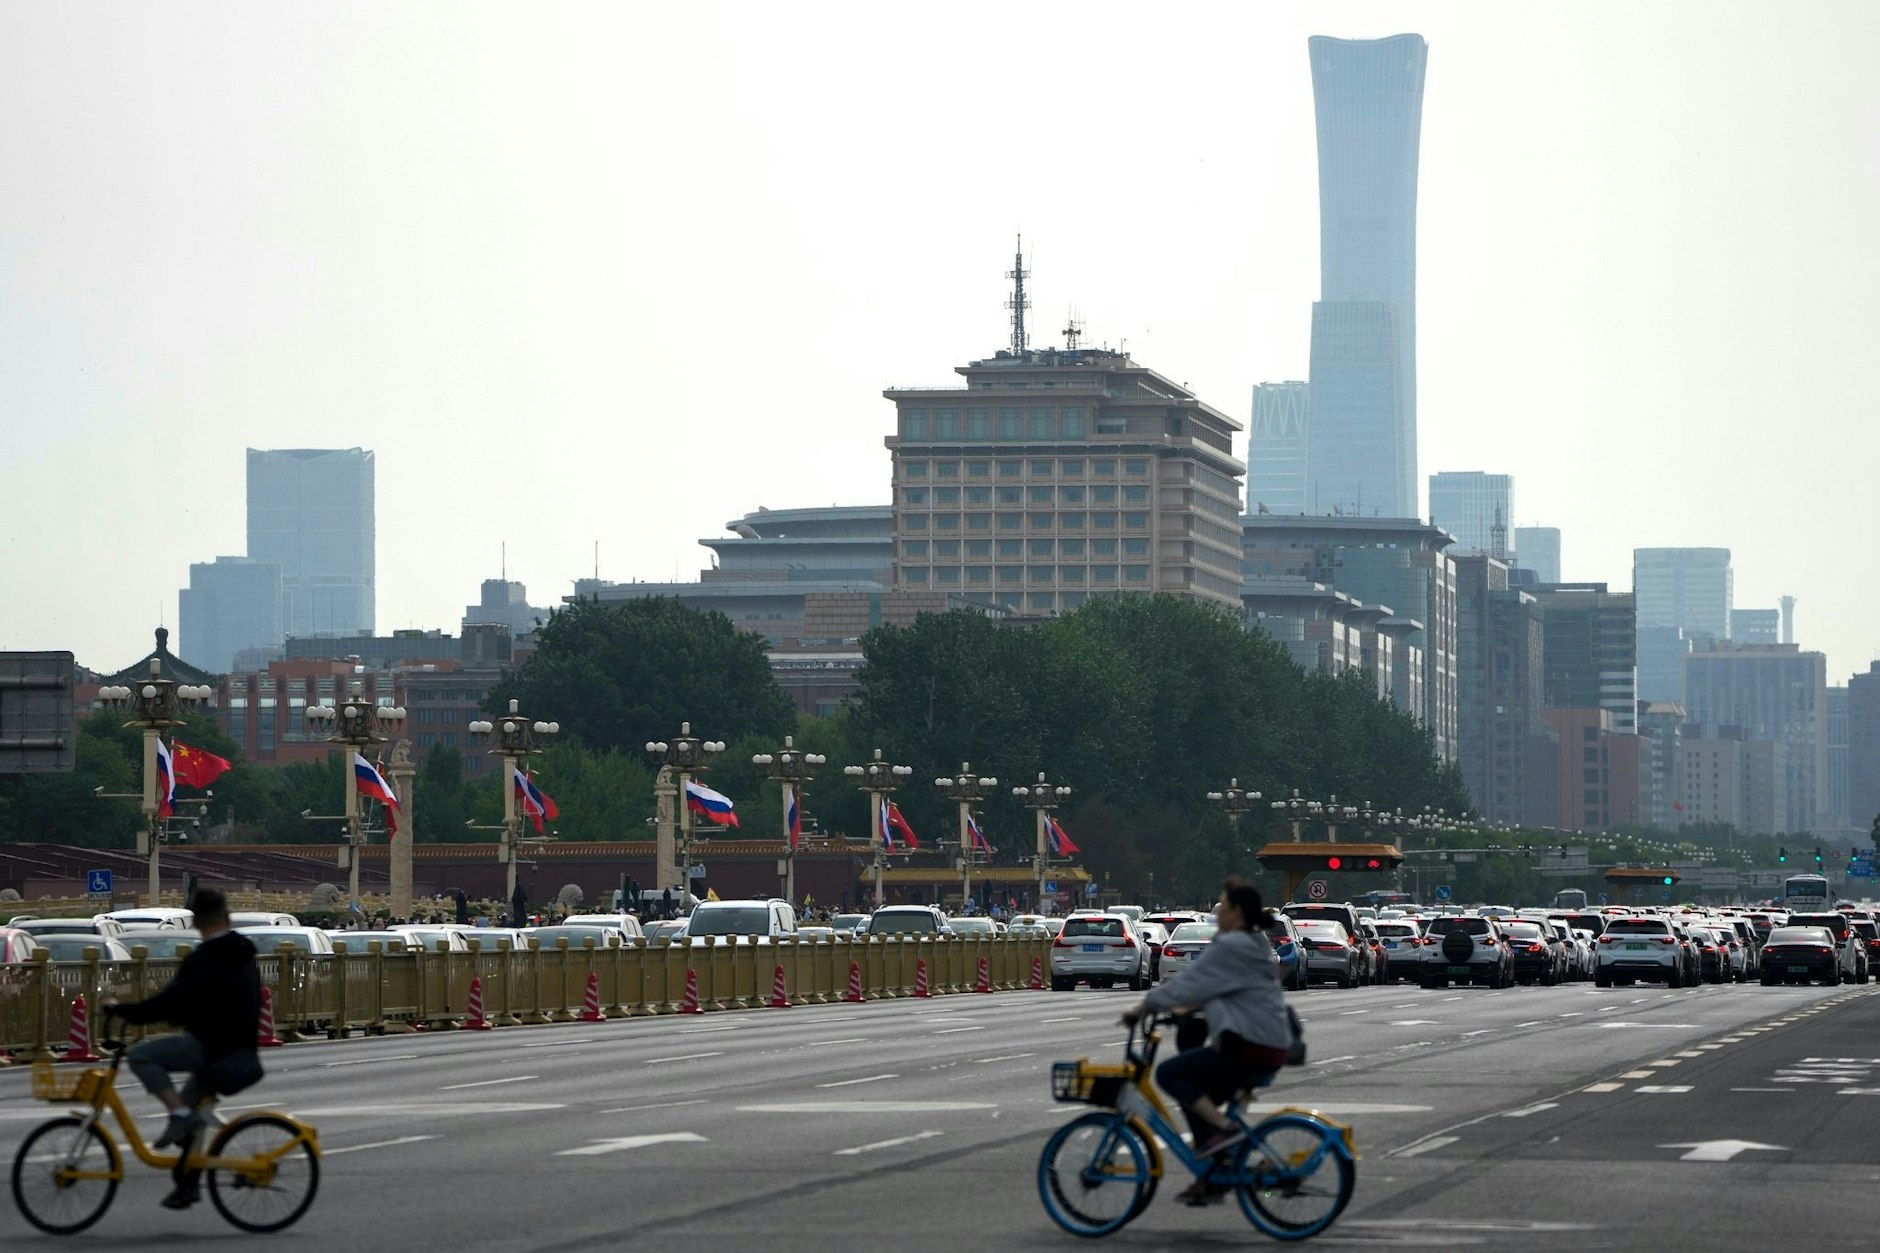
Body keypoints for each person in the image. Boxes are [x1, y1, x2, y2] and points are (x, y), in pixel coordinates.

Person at [1121, 877, 1291, 1205]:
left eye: (1223, 906)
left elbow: (1190, 982)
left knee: (1171, 1074)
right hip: (1265, 1044)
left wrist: (1143, 1007)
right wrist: (1186, 1011)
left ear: (1237, 912)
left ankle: (1226, 1133)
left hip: (1250, 1046)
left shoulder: (1232, 945)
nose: (1218, 913)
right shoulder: (1254, 942)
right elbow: (1221, 988)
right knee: (1194, 1094)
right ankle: (1212, 1173)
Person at [102, 887, 262, 1210]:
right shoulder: (244, 954)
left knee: (141, 1055)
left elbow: (171, 1005)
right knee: (193, 1122)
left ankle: (178, 1114)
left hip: (209, 1047)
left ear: (194, 923)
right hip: (239, 1048)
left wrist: (125, 1011)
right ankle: (186, 1184)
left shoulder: (203, 960)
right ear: (228, 918)